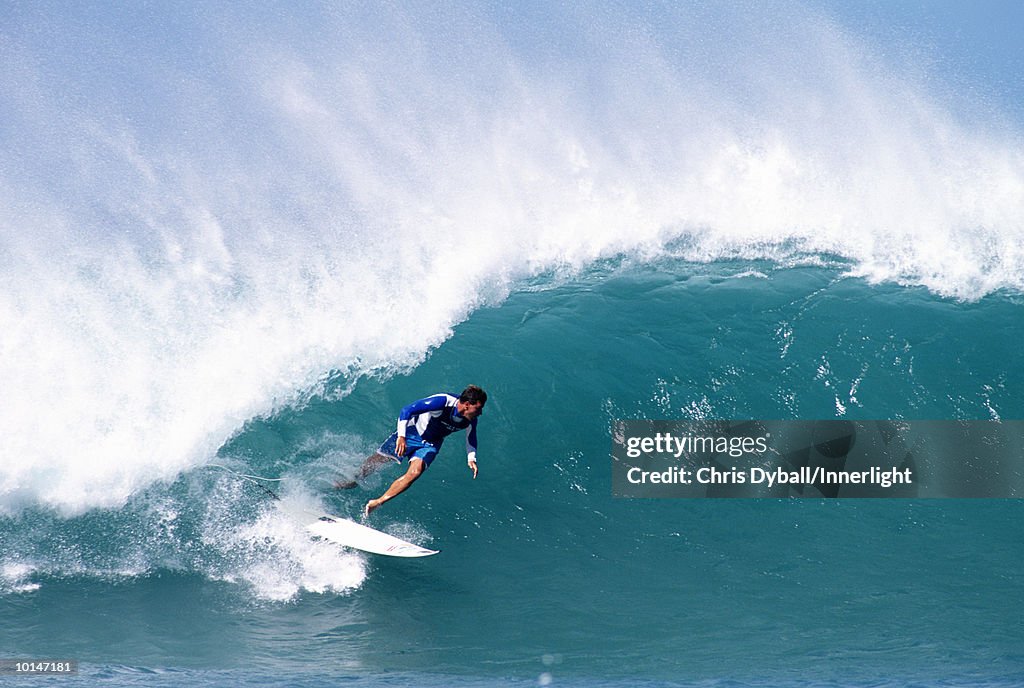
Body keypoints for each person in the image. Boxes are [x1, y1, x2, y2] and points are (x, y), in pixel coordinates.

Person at [338, 385, 487, 516]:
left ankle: (378, 502)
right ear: (467, 404)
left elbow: (471, 437)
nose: (480, 413)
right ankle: (353, 480)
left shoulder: (471, 419)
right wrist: (401, 437)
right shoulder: (442, 402)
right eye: (478, 408)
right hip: (411, 433)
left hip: (430, 444)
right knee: (378, 461)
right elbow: (407, 411)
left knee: (415, 473)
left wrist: (471, 458)